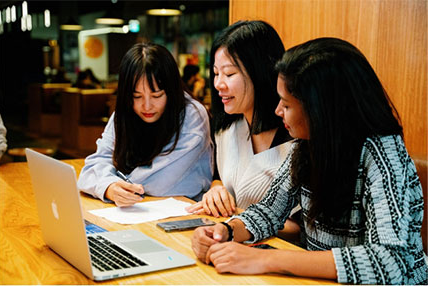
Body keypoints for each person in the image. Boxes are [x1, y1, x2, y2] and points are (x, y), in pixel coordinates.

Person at [191, 37, 427, 285]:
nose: (277, 111)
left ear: (321, 109)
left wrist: (267, 260)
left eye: (287, 104)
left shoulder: (383, 153)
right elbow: (269, 211)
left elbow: (390, 262)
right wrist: (225, 231)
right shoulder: (307, 145)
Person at [186, 20, 297, 224]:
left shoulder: (295, 136)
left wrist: (240, 217)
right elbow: (220, 177)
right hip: (229, 242)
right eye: (216, 73)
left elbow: (300, 228)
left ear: (260, 71)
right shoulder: (227, 129)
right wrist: (216, 190)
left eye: (229, 74)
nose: (218, 84)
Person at [77, 43, 213, 207]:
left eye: (156, 95)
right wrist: (110, 187)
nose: (147, 106)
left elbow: (160, 183)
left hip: (185, 210)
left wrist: (107, 181)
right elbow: (93, 166)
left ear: (171, 90)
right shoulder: (124, 112)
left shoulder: (192, 116)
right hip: (133, 210)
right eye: (137, 96)